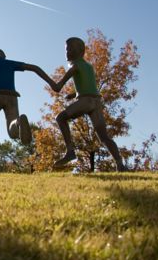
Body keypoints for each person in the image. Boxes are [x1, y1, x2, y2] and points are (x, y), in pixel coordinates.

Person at [49, 37, 126, 171]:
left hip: (86, 102)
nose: (67, 53)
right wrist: (74, 94)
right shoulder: (88, 66)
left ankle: (70, 151)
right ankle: (120, 164)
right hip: (96, 102)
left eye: (70, 49)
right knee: (104, 137)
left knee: (60, 118)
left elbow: (58, 86)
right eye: (66, 50)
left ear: (80, 50)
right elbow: (89, 86)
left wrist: (49, 81)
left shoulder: (75, 66)